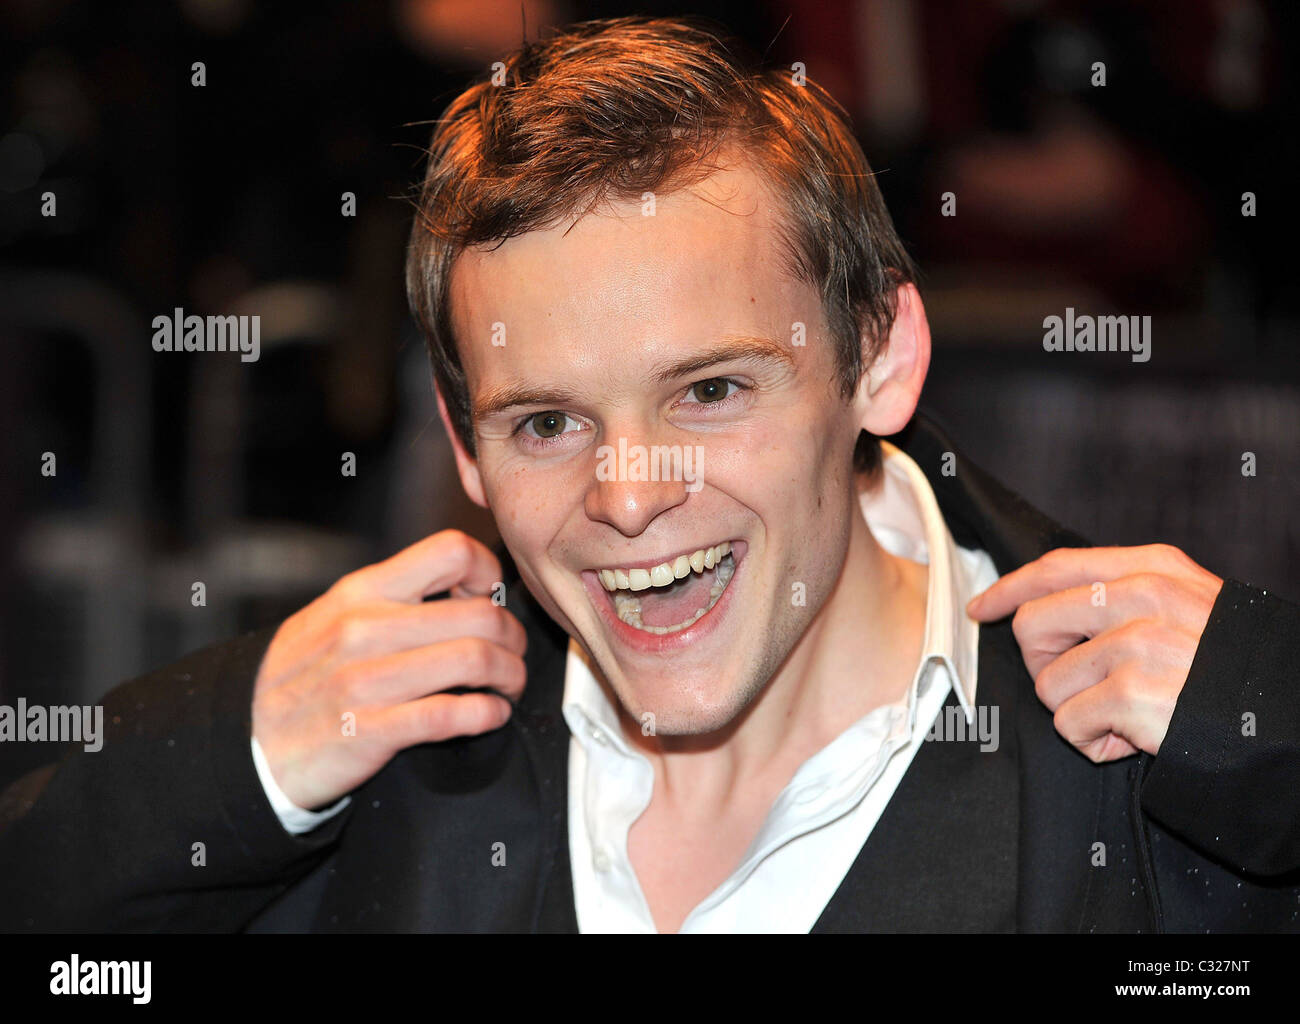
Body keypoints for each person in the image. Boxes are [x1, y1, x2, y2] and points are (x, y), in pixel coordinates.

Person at [2, 16, 1297, 933]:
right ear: (462, 448)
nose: (627, 494)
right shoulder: (375, 767)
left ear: (882, 360)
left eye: (710, 389)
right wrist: (232, 758)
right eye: (546, 423)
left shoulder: (1156, 777)